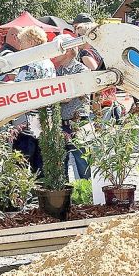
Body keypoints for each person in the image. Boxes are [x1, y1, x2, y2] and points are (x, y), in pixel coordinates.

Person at [10, 26, 56, 173]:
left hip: (26, 122)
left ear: (30, 42)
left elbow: (18, 90)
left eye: (22, 42)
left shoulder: (29, 65)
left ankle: (21, 196)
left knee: (21, 166)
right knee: (39, 166)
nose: (20, 46)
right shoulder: (49, 64)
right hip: (44, 119)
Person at [51, 36, 91, 180]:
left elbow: (69, 96)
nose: (54, 54)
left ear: (67, 51)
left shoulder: (81, 71)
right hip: (61, 121)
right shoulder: (57, 71)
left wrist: (51, 97)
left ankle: (87, 194)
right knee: (60, 163)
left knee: (82, 161)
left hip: (78, 122)